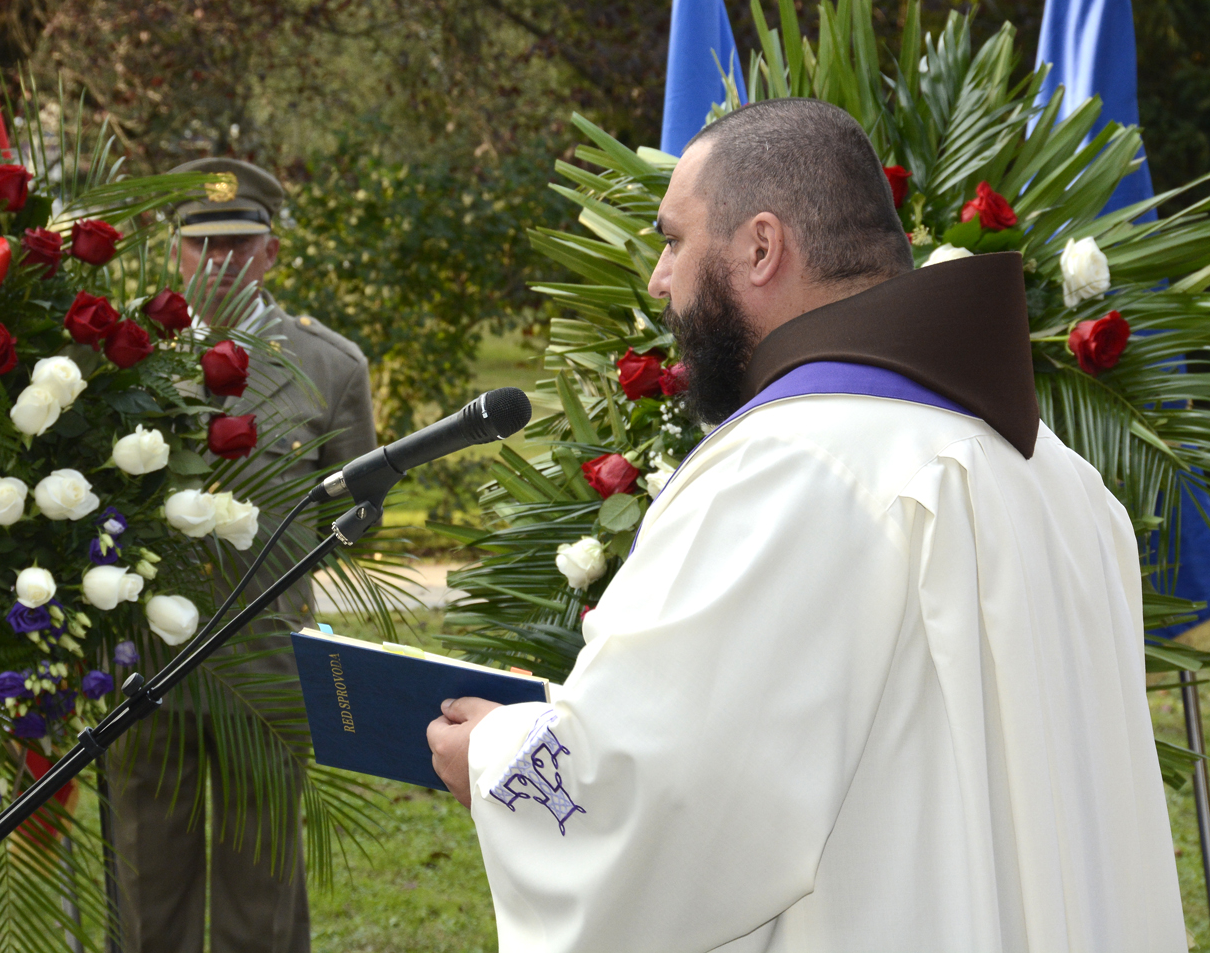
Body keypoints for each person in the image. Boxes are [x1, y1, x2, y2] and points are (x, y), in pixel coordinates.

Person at [427, 99, 1185, 952]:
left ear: (760, 247)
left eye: (674, 240)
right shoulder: (1063, 478)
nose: (658, 281)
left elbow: (664, 801)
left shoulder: (792, 467)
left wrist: (497, 757)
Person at [107, 158, 377, 953]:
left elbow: (361, 511)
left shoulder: (331, 365)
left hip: (265, 651)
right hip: (145, 652)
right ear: (174, 251)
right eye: (202, 244)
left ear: (272, 253)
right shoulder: (121, 349)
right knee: (146, 867)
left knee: (263, 874)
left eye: (239, 243)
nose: (219, 260)